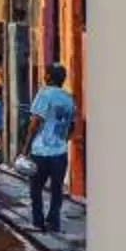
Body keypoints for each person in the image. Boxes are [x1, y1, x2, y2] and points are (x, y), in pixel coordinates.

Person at [23, 63, 78, 234]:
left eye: (45, 74)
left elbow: (34, 124)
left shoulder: (44, 94)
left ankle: (38, 222)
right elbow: (72, 127)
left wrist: (25, 148)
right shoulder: (69, 99)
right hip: (60, 152)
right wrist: (62, 140)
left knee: (36, 188)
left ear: (48, 77)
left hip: (40, 151)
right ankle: (53, 223)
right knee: (57, 190)